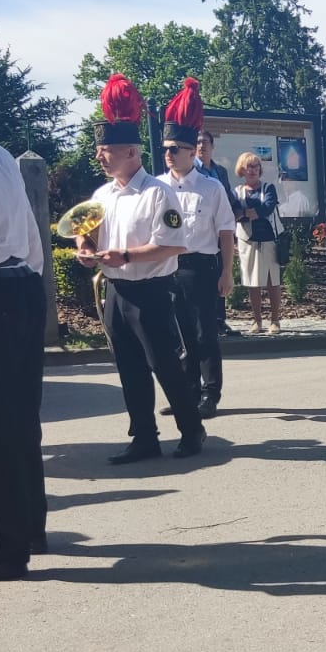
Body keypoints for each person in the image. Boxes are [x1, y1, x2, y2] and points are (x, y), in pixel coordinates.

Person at [75, 75, 205, 462]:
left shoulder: (157, 193)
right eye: (100, 150)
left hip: (151, 292)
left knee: (165, 366)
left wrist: (127, 256)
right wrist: (85, 247)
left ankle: (191, 428)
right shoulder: (102, 195)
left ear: (131, 152)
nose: (99, 157)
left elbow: (175, 243)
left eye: (106, 151)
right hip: (117, 291)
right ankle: (144, 437)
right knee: (129, 368)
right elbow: (87, 232)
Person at [161, 81, 237, 419]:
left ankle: (210, 393)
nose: (168, 154)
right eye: (166, 148)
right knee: (180, 334)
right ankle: (188, 391)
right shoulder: (157, 186)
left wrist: (226, 272)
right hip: (167, 267)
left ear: (192, 151)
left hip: (202, 266)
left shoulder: (211, 187)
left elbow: (225, 231)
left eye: (175, 148)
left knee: (206, 333)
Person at [0, 139, 47, 579]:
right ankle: (30, 527)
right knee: (22, 419)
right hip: (21, 285)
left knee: (0, 428)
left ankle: (9, 547)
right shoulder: (2, 155)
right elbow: (31, 238)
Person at [195, 128, 243, 336]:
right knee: (203, 279)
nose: (201, 146)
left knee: (221, 274)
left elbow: (228, 198)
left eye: (205, 142)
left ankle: (219, 320)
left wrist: (238, 211)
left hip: (220, 233)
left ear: (212, 147)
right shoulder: (191, 172)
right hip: (202, 234)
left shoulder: (220, 171)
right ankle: (204, 322)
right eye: (197, 142)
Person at [234, 153, 283, 334]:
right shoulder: (237, 191)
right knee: (252, 282)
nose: (253, 170)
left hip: (269, 239)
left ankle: (275, 320)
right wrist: (249, 213)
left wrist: (246, 213)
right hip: (247, 241)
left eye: (256, 166)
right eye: (249, 167)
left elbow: (267, 208)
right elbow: (234, 212)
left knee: (273, 281)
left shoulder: (269, 188)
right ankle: (257, 321)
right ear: (242, 169)